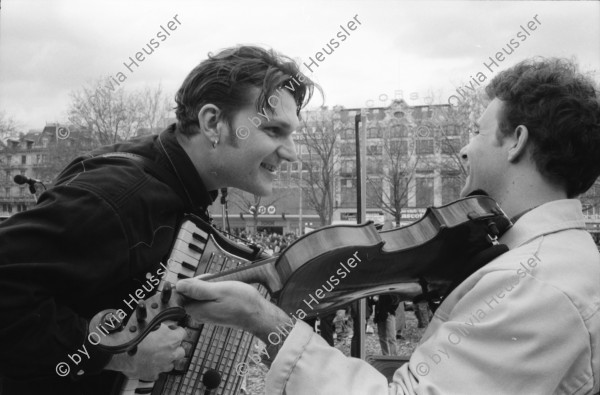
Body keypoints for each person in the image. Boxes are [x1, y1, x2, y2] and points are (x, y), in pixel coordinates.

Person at [177, 58, 600, 394]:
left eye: (477, 132)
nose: (465, 150)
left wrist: (265, 321)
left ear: (517, 142)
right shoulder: (553, 261)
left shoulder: (531, 284)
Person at [0, 45, 315, 394]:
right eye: (273, 131)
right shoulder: (119, 196)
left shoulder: (178, 186)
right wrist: (117, 354)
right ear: (213, 123)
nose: (290, 151)